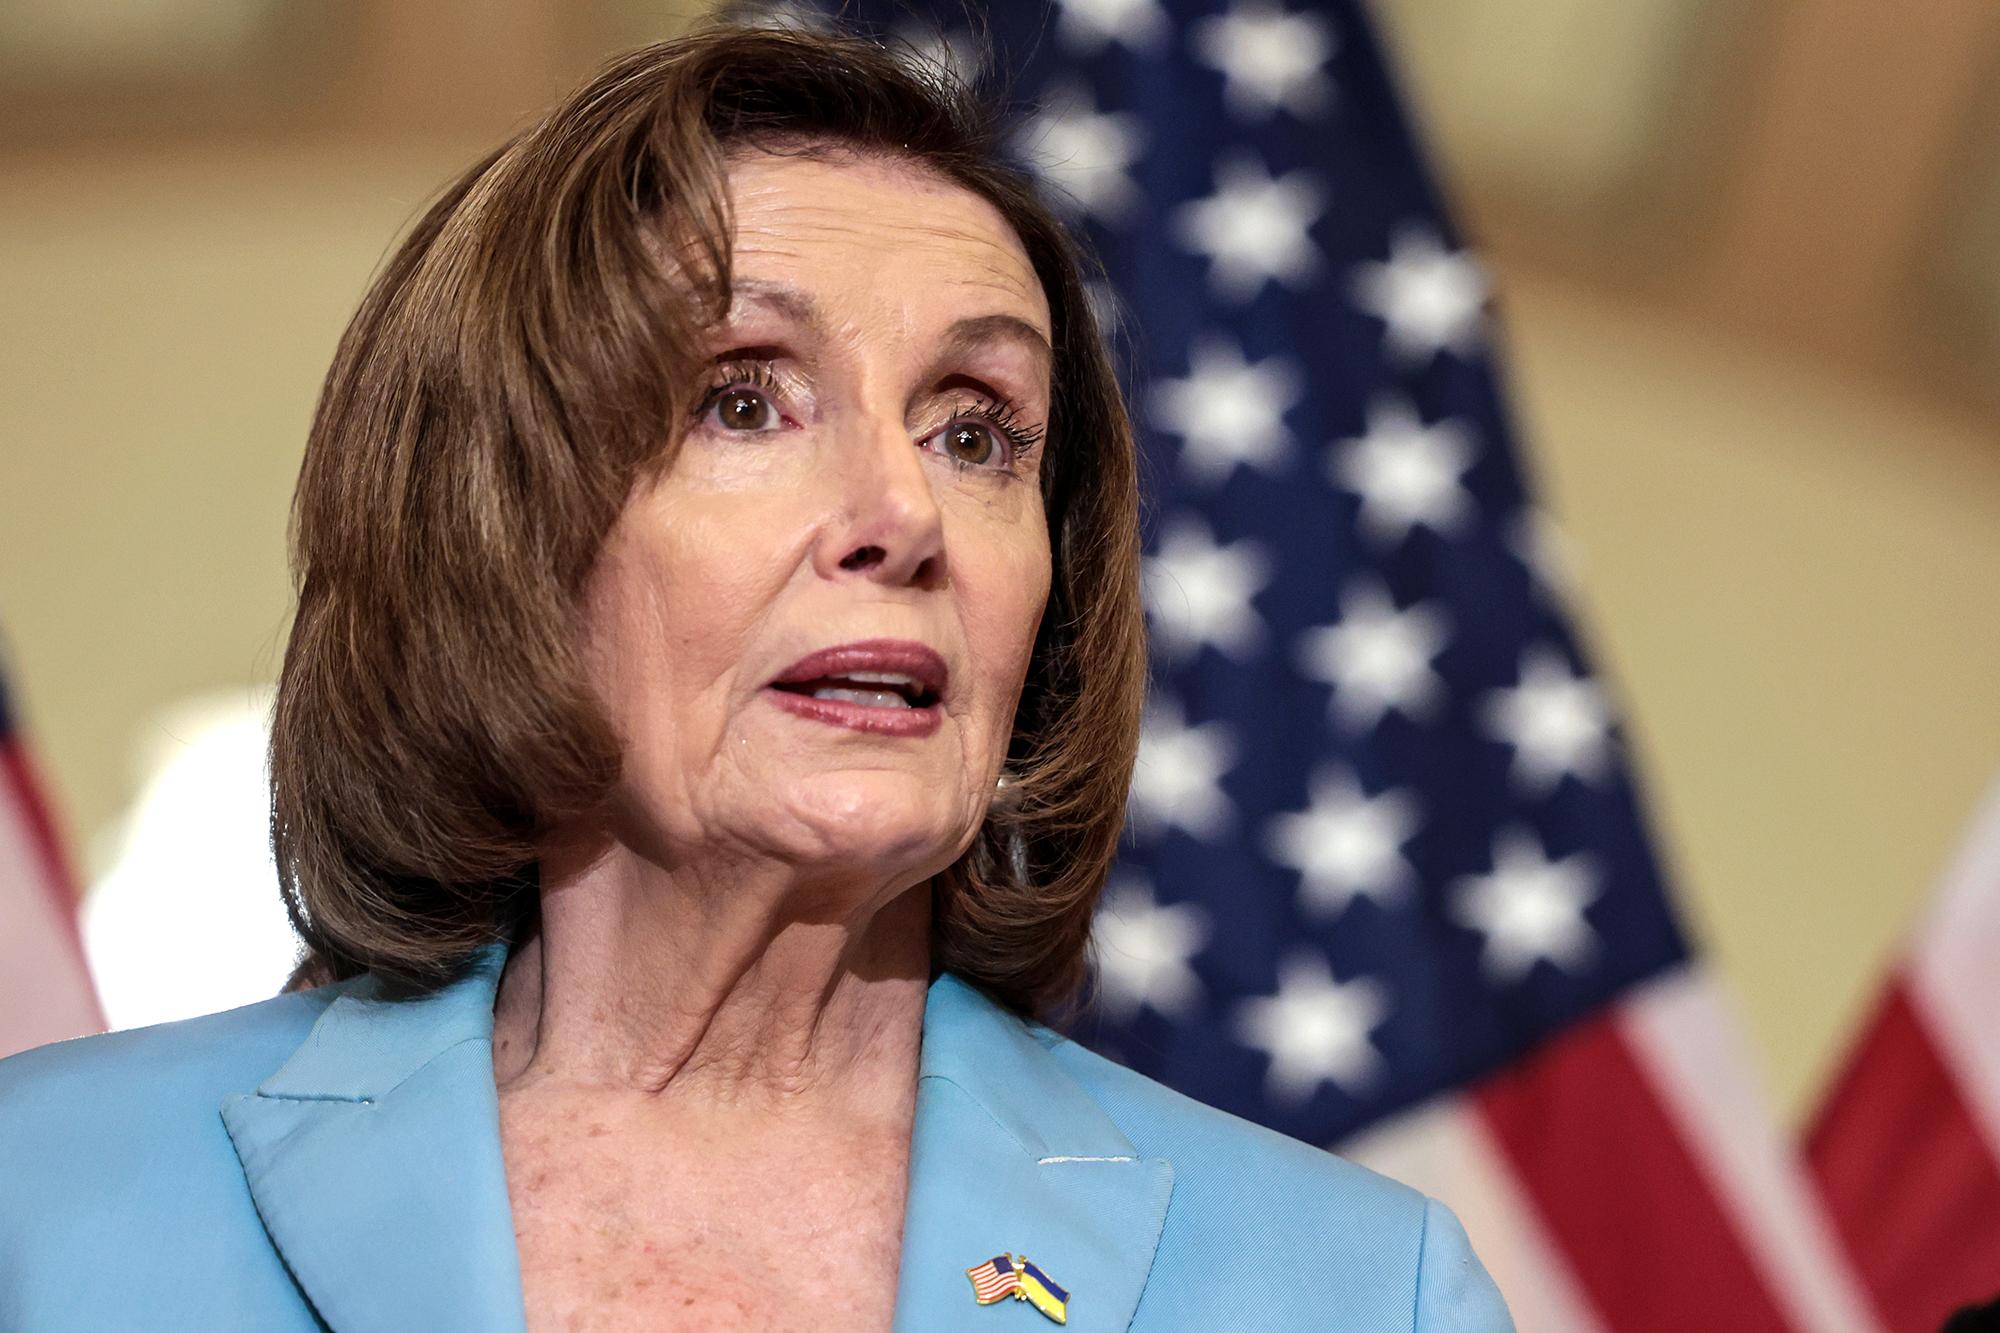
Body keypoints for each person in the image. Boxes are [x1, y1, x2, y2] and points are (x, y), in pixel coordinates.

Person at [0, 26, 1512, 1333]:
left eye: (976, 430)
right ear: (500, 530)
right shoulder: (43, 1199)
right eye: (745, 399)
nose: (904, 515)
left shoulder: (1359, 1291)